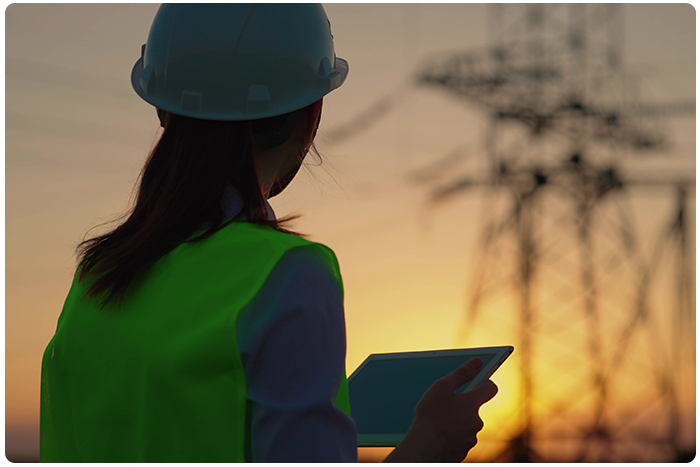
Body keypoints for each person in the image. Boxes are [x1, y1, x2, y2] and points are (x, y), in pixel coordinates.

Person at [39, 4, 498, 463]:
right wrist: (427, 447)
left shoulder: (93, 281)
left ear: (162, 106)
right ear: (309, 114)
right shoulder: (287, 275)